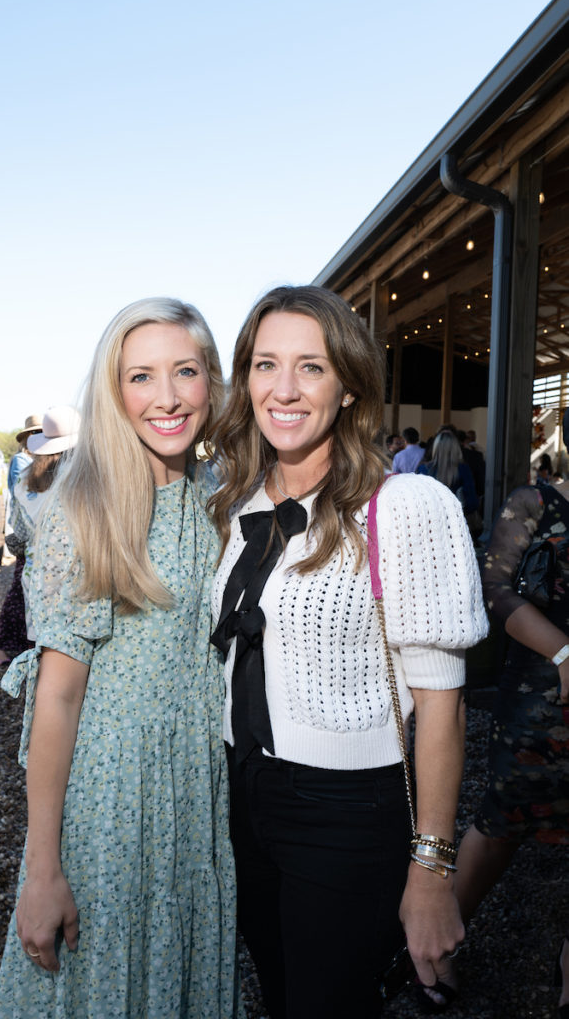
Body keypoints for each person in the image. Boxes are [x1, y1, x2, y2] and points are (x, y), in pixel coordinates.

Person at [208, 285, 488, 1018]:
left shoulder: (403, 506)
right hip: (241, 800)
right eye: (266, 365)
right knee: (278, 994)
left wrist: (430, 871)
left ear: (350, 387)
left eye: (312, 367)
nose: (285, 388)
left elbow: (442, 709)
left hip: (346, 813)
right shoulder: (236, 509)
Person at [0, 298, 241, 1019]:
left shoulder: (218, 498)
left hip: (199, 793)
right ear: (113, 391)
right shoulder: (87, 510)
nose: (166, 397)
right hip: (113, 804)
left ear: (211, 383)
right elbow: (57, 698)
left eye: (185, 371)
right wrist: (42, 871)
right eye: (141, 377)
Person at [452, 415, 569, 1018]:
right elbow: (494, 589)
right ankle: (438, 943)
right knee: (500, 824)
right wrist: (563, 651)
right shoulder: (535, 501)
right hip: (538, 702)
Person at [12, 406, 81, 640]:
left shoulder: (23, 479)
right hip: (78, 573)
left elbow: (19, 530)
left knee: (43, 644)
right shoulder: (80, 477)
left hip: (37, 571)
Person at [0, 414, 42, 666]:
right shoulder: (23, 462)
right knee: (18, 595)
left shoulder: (41, 462)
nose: (39, 438)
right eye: (35, 434)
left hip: (34, 538)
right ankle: (0, 647)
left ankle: (21, 647)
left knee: (25, 595)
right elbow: (24, 498)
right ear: (28, 438)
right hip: (27, 537)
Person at [418, 429, 479, 517]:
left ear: (436, 447)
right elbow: (472, 502)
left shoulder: (423, 469)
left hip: (431, 518)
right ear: (456, 447)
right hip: (456, 518)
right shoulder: (463, 469)